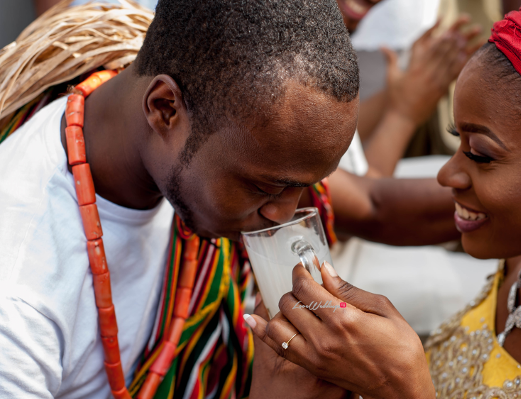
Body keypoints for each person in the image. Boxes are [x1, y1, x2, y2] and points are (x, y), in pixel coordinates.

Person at [0, 0, 360, 398]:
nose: (283, 216)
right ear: (164, 109)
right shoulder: (17, 300)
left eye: (303, 187)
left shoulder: (206, 127)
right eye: (266, 188)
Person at [246, 0, 521, 397]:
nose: (445, 175)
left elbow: (374, 206)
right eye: (456, 142)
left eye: (480, 154)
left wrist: (402, 386)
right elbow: (372, 204)